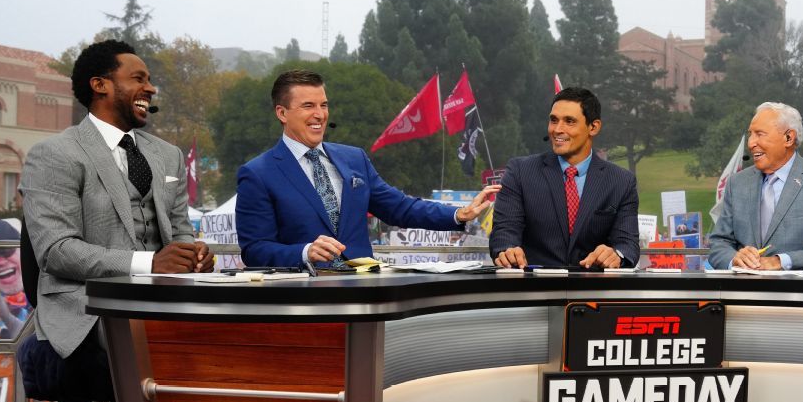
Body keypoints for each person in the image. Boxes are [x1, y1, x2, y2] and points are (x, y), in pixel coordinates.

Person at [19, 39, 213, 402]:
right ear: (100, 85)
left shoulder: (167, 155)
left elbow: (180, 232)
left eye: (149, 80)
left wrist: (194, 256)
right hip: (88, 307)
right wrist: (151, 263)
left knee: (234, 334)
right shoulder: (55, 154)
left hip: (163, 301)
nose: (151, 89)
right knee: (173, 348)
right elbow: (57, 251)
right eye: (138, 78)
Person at [236, 70, 497, 268]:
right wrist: (304, 252)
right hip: (303, 301)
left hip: (363, 296)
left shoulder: (354, 159)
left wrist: (459, 214)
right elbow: (255, 250)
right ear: (282, 113)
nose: (320, 114)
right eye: (308, 106)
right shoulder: (258, 174)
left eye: (323, 105)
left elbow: (400, 208)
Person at [489, 87, 639, 269]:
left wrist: (616, 255)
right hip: (534, 284)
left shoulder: (622, 181)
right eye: (553, 120)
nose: (557, 129)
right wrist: (507, 250)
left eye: (569, 121)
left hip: (594, 285)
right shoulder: (520, 171)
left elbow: (627, 244)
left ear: (593, 127)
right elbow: (504, 231)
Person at [707, 102, 803, 271]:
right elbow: (719, 243)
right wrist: (735, 259)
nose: (751, 143)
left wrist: (781, 261)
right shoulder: (737, 183)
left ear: (788, 138)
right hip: (744, 287)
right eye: (750, 134)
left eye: (760, 134)